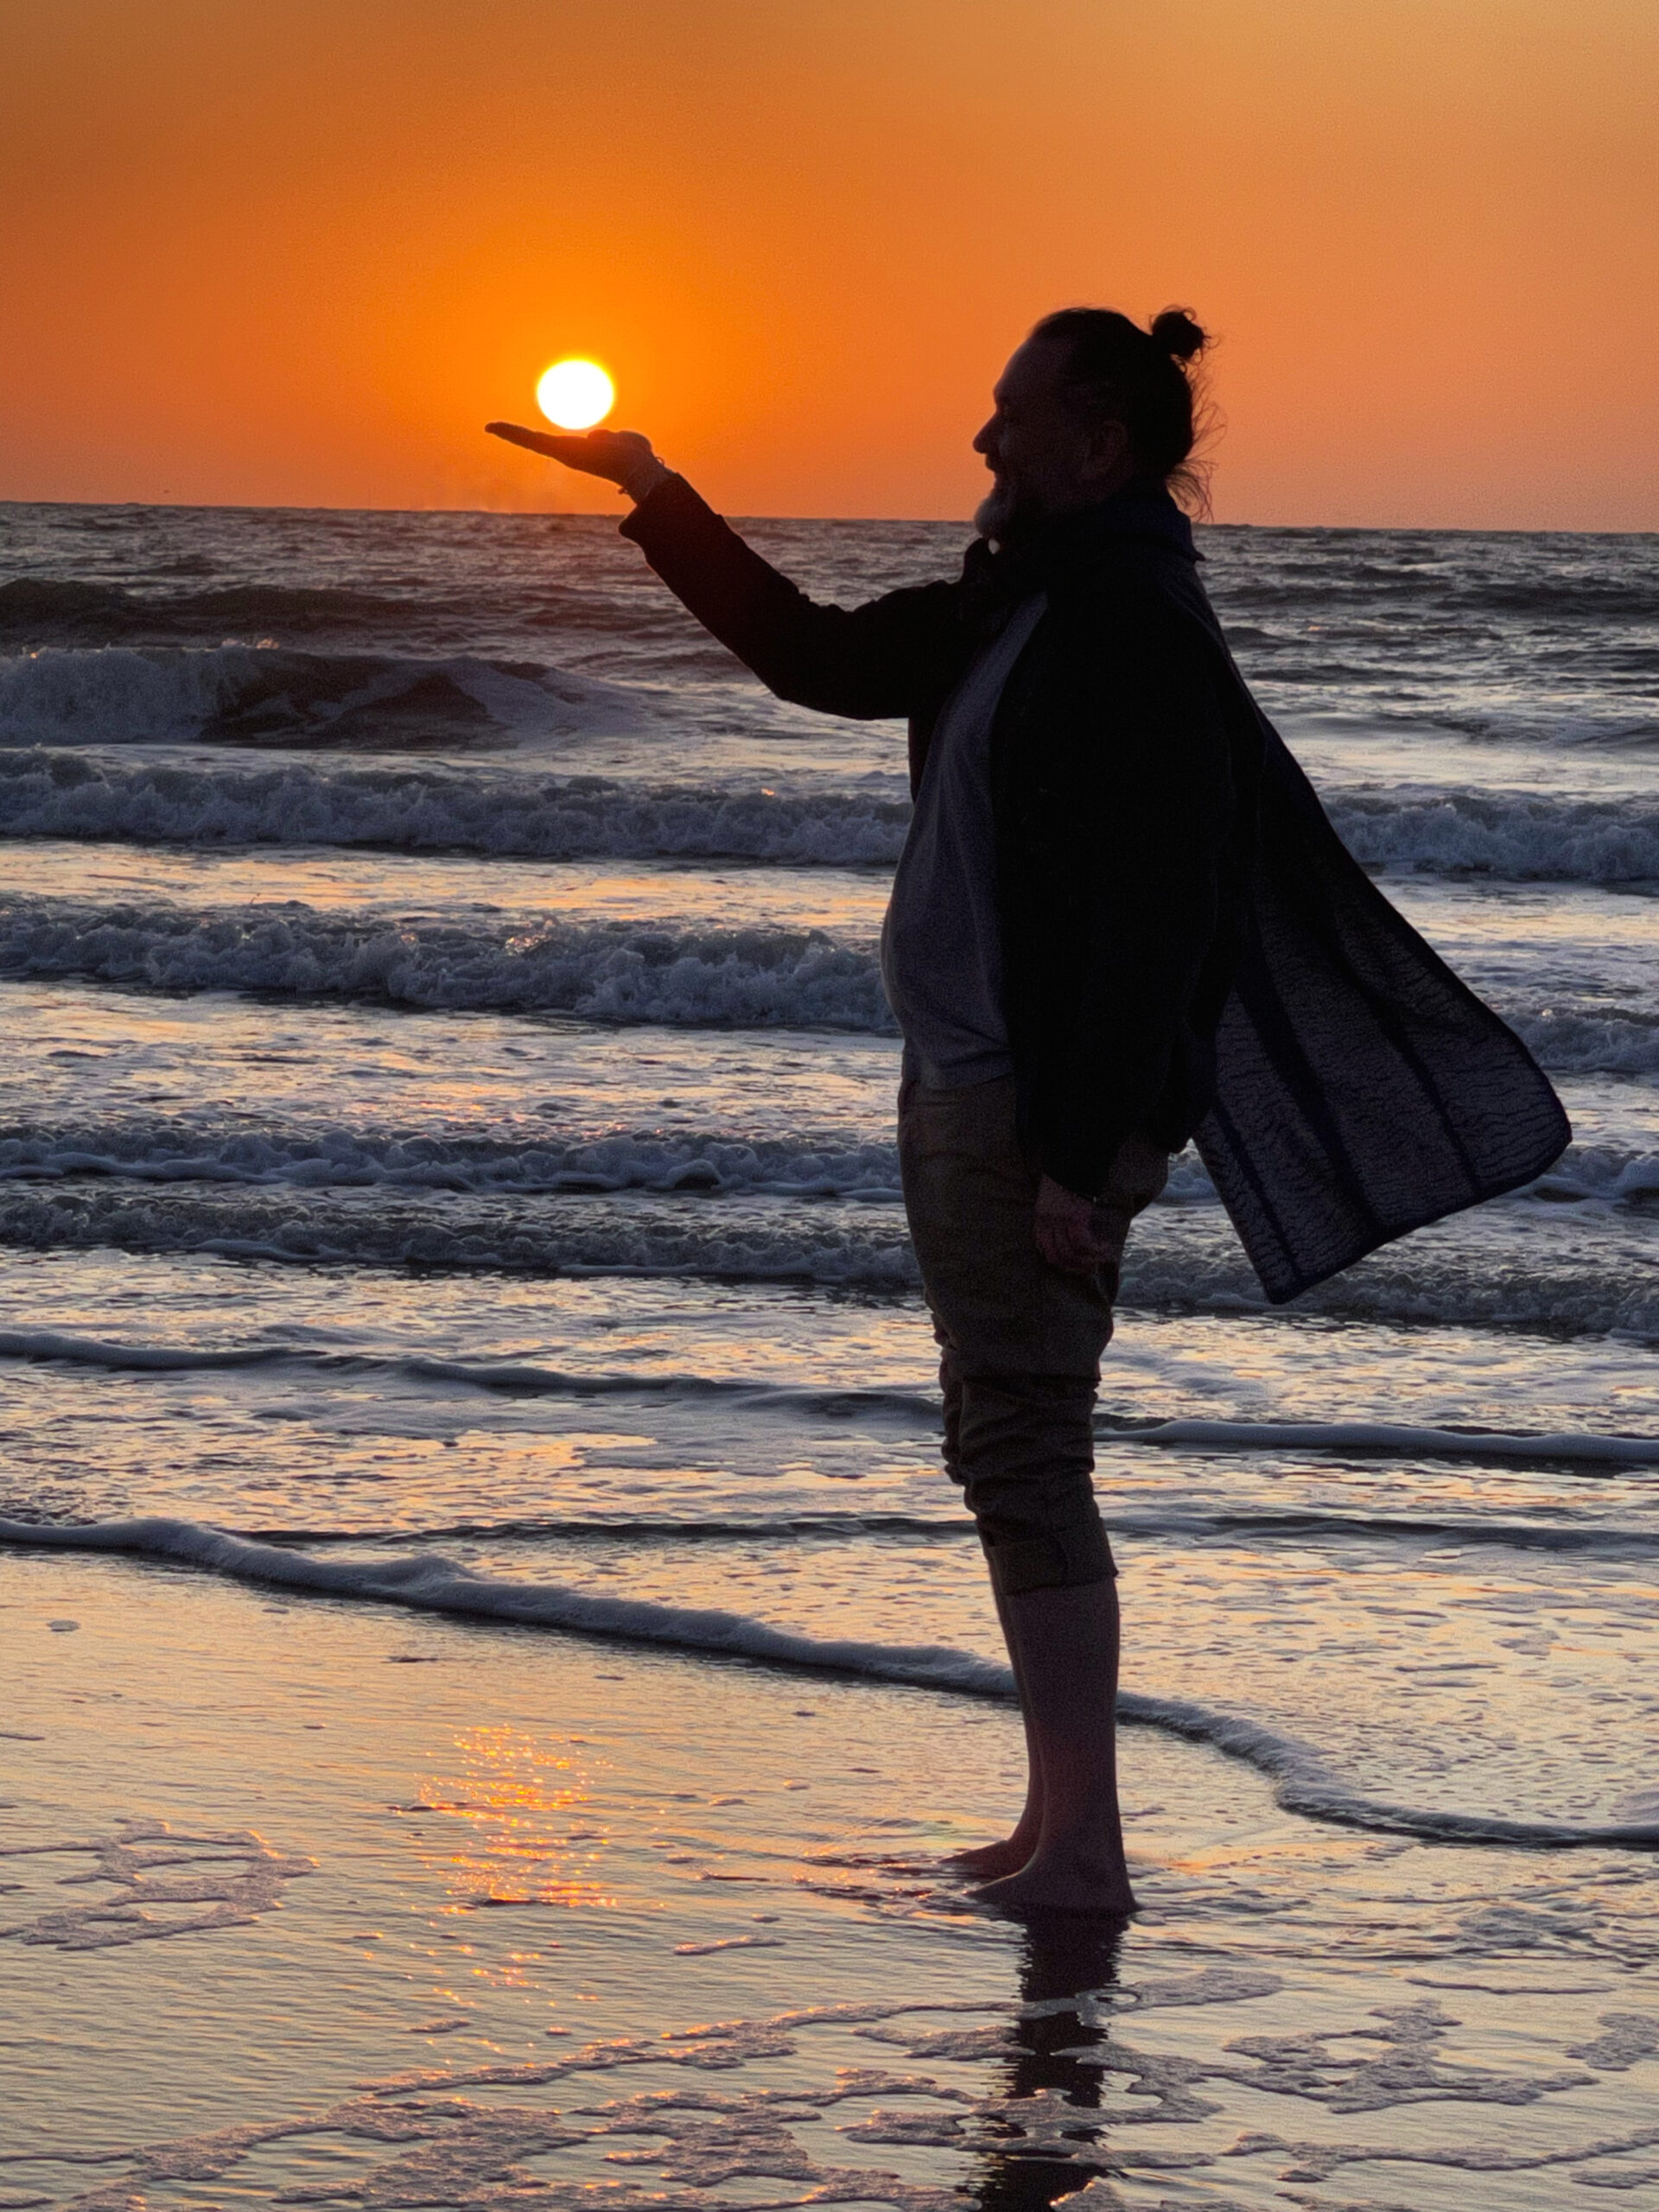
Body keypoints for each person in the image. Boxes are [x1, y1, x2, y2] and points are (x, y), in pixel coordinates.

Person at [485, 309, 1567, 1915]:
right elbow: (827, 662)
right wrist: (653, 492)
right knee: (1007, 1443)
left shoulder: (1126, 624)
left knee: (1027, 1446)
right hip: (976, 1082)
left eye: (1010, 414)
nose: (981, 441)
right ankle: (1057, 1823)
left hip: (1032, 1111)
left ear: (1097, 444)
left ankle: (1088, 1853)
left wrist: (1082, 1156)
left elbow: (1161, 910)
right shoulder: (1024, 602)